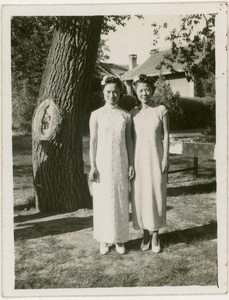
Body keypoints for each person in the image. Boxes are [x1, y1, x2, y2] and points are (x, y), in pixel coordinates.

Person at [89, 75, 134, 255]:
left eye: (115, 92)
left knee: (119, 199)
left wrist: (130, 163)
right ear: (103, 93)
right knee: (102, 200)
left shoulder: (126, 115)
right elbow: (92, 141)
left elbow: (129, 141)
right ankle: (104, 239)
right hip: (102, 163)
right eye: (108, 92)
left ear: (120, 93)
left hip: (120, 162)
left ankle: (119, 239)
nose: (112, 95)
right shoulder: (96, 115)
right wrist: (92, 166)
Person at [131, 74, 169, 253]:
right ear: (135, 92)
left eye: (147, 89)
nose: (144, 93)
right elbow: (130, 140)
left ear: (152, 90)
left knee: (156, 195)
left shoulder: (161, 110)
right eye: (140, 90)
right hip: (139, 160)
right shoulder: (133, 114)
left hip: (156, 158)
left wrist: (165, 158)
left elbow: (167, 135)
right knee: (141, 196)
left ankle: (155, 234)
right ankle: (145, 232)